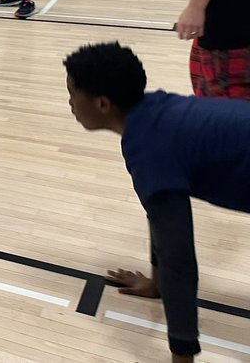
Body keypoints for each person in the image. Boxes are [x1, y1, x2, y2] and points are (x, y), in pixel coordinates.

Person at [63, 41, 250, 363]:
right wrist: (156, 283)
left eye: (72, 94)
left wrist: (182, 356)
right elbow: (160, 217)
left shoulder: (150, 148)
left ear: (103, 103)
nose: (69, 104)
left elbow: (179, 259)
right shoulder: (154, 114)